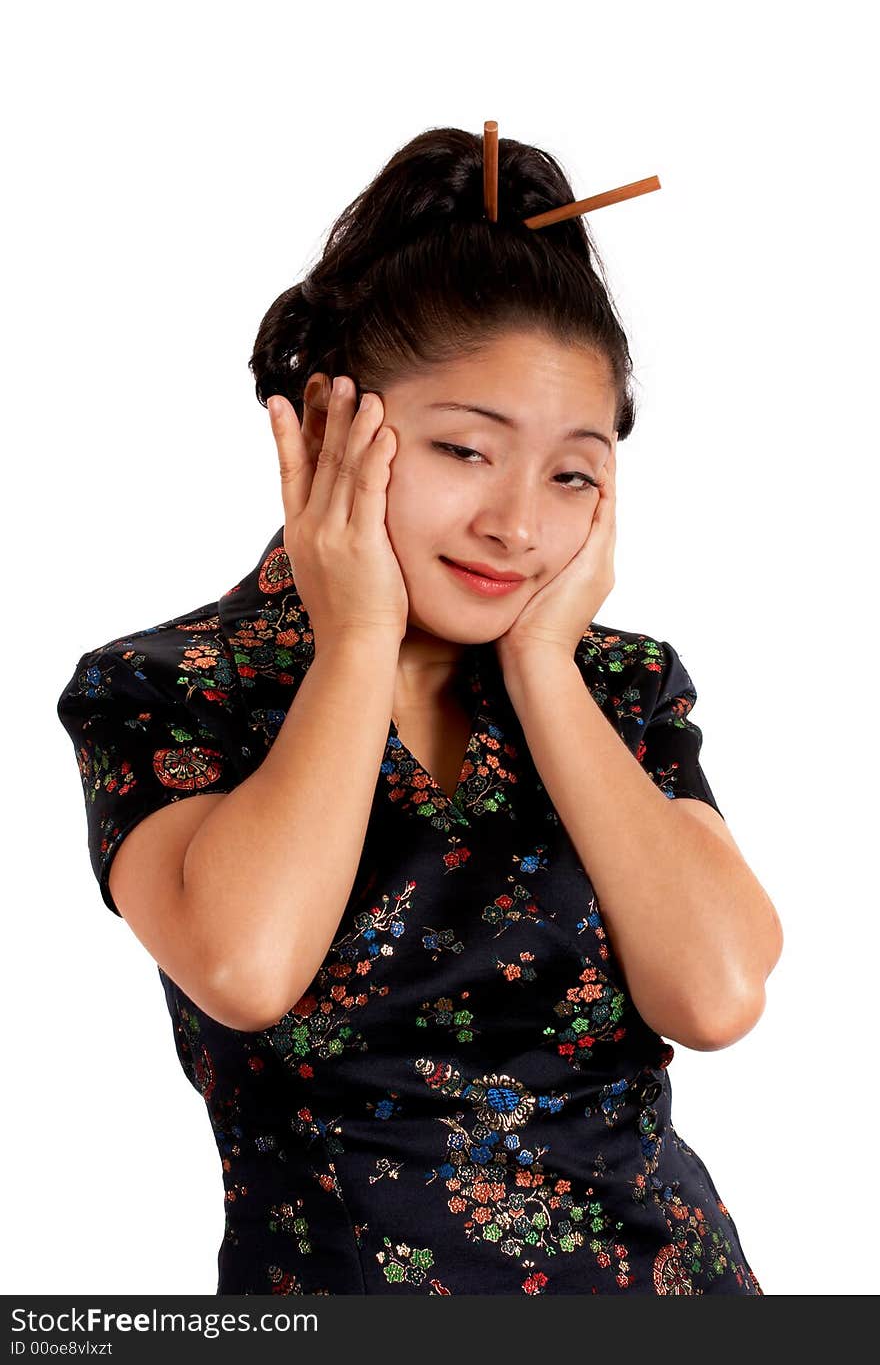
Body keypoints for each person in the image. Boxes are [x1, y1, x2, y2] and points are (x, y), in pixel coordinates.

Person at [56, 125, 783, 1296]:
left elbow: (714, 995)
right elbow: (244, 966)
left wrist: (548, 662)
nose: (518, 523)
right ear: (328, 427)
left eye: (571, 472)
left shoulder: (624, 686)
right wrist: (353, 636)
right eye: (464, 449)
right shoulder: (173, 685)